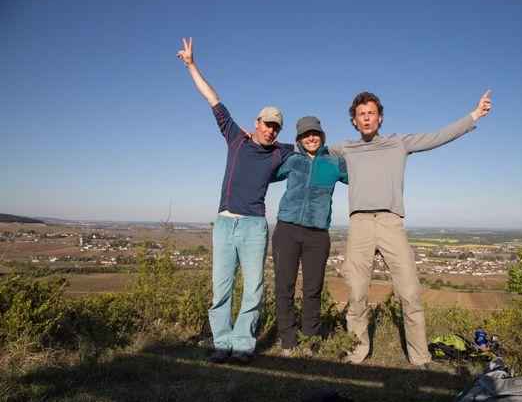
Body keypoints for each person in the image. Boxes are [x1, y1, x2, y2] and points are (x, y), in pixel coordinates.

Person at [329, 90, 492, 368]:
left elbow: (436, 137)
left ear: (379, 118)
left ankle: (419, 357)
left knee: (410, 291)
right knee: (356, 291)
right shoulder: (345, 148)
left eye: (370, 114)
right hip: (359, 224)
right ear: (354, 122)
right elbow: (310, 149)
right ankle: (357, 352)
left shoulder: (398, 143)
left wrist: (474, 115)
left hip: (391, 222)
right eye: (360, 115)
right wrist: (263, 142)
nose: (366, 118)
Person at [177, 37, 294, 365]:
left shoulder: (280, 154)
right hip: (225, 224)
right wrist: (191, 65)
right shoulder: (235, 138)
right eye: (266, 124)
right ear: (256, 123)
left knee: (253, 289)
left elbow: (309, 148)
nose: (270, 130)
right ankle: (221, 344)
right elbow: (213, 98)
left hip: (255, 226)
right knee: (222, 288)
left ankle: (243, 346)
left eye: (275, 127)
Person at [270, 116, 348, 356]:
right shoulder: (292, 160)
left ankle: (311, 337)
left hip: (318, 235)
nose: (311, 138)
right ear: (299, 140)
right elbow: (267, 173)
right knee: (285, 287)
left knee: (313, 289)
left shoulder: (335, 163)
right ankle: (288, 340)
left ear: (322, 136)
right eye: (305, 135)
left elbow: (361, 180)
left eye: (314, 133)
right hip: (287, 230)